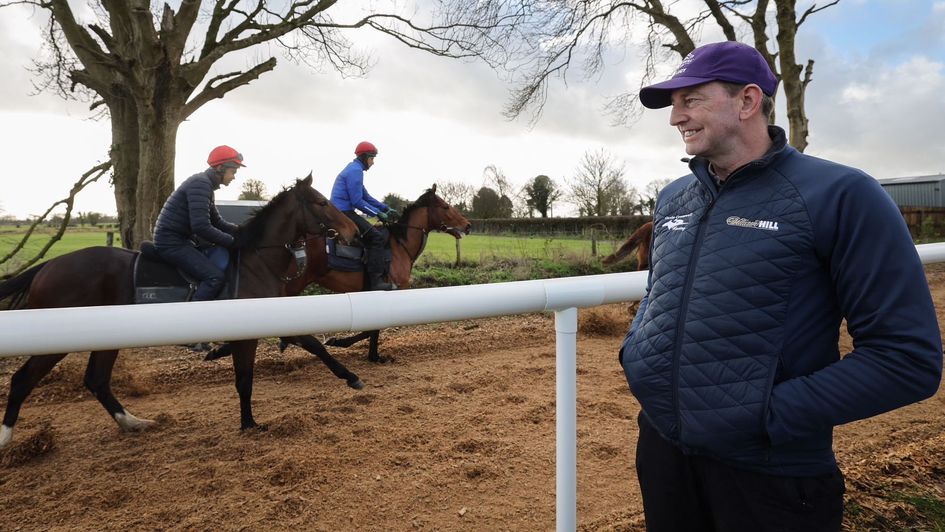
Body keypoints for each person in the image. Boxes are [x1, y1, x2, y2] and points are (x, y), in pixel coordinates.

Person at [620, 40, 942, 531]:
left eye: (692, 99)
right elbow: (660, 296)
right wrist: (637, 355)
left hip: (769, 474)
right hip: (664, 455)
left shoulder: (842, 195)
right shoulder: (674, 198)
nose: (675, 117)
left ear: (748, 101)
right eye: (674, 104)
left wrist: (764, 416)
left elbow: (907, 358)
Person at [153, 145, 243, 302]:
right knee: (214, 278)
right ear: (220, 168)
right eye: (233, 171)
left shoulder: (206, 186)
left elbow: (217, 222)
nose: (234, 176)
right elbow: (201, 226)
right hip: (171, 242)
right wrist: (233, 242)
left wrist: (242, 232)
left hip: (181, 240)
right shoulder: (200, 184)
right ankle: (192, 320)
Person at [330, 141, 399, 291]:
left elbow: (366, 197)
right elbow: (357, 201)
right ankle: (376, 282)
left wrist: (385, 208)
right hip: (344, 213)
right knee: (376, 238)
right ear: (365, 156)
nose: (373, 163)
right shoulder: (355, 171)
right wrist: (377, 214)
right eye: (372, 158)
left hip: (342, 211)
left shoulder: (354, 169)